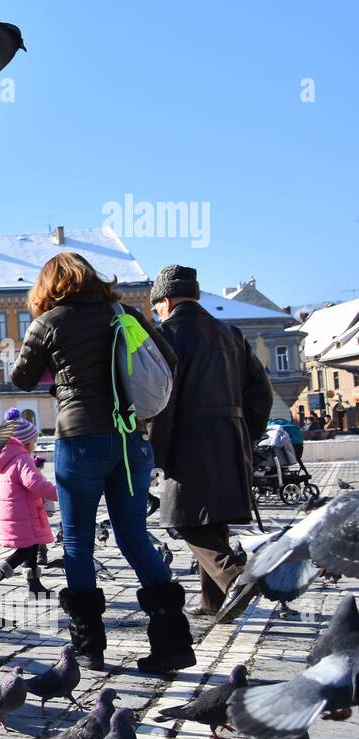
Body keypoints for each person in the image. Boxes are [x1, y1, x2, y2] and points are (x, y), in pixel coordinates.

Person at [11, 252, 191, 674]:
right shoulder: (123, 313)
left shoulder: (49, 323)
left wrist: (58, 371)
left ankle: (90, 647)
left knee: (77, 541)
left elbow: (21, 377)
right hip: (130, 441)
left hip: (80, 442)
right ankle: (173, 643)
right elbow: (168, 360)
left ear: (49, 287)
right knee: (134, 536)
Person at [148, 265, 273, 619]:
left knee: (184, 518)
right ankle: (211, 601)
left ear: (166, 300)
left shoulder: (167, 335)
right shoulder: (230, 332)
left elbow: (162, 399)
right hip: (231, 435)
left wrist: (154, 452)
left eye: (156, 306)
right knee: (212, 516)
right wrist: (246, 432)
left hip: (188, 437)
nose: (156, 312)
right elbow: (261, 392)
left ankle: (233, 575)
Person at [0, 410, 59, 593]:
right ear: (26, 442)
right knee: (24, 550)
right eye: (34, 441)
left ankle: (34, 585)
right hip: (24, 513)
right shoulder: (22, 458)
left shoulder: (5, 457)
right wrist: (60, 494)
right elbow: (34, 483)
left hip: (16, 512)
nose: (35, 445)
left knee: (31, 547)